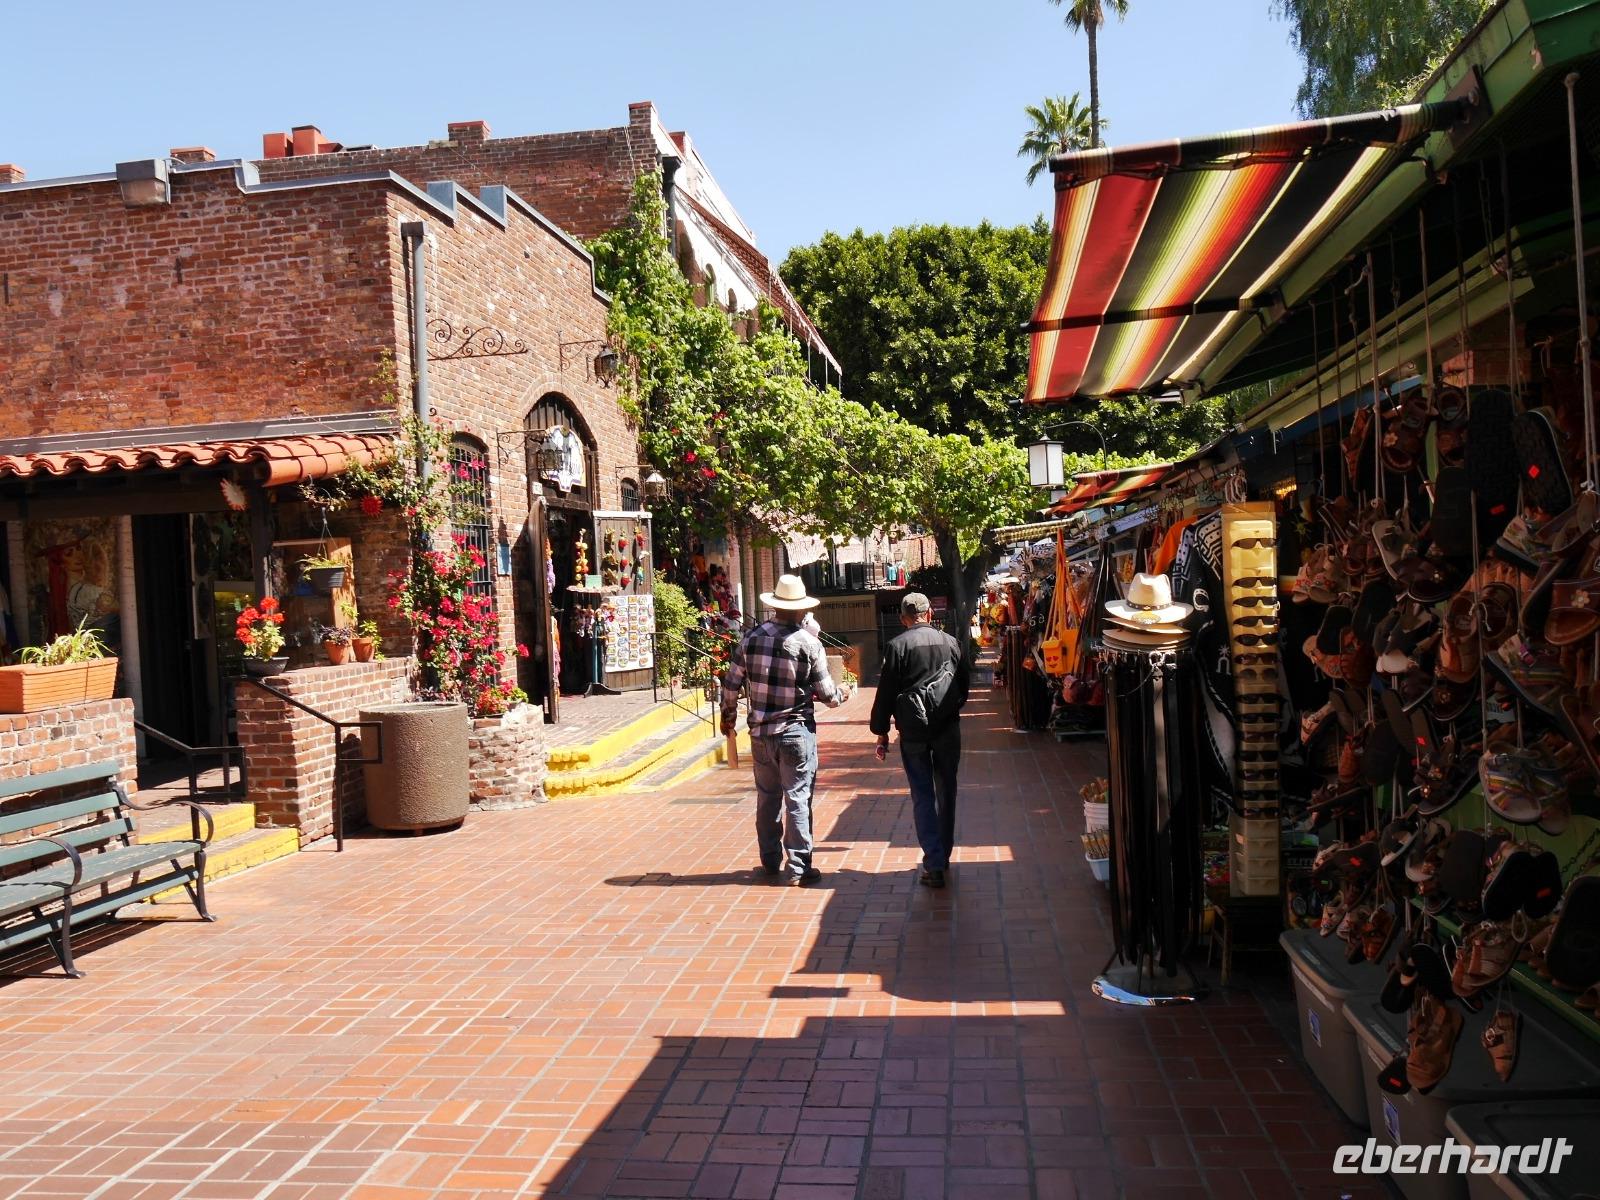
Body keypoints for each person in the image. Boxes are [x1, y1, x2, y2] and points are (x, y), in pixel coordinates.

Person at [721, 574, 844, 885]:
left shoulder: (750, 638)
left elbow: (731, 684)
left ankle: (770, 860)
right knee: (797, 798)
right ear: (800, 609)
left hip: (761, 734)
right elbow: (829, 696)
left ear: (775, 606)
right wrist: (842, 694)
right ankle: (799, 867)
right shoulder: (809, 643)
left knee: (767, 797)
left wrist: (728, 718)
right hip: (795, 731)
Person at [871, 592, 971, 888]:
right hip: (947, 728)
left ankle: (934, 861)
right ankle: (944, 854)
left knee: (922, 793)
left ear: (903, 619)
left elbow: (886, 692)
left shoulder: (897, 646)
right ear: (929, 614)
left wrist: (881, 731)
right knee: (947, 790)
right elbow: (963, 687)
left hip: (913, 729)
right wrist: (948, 709)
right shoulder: (951, 643)